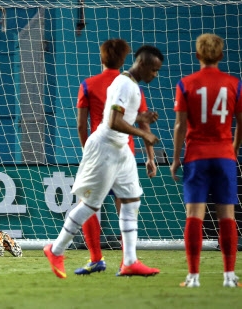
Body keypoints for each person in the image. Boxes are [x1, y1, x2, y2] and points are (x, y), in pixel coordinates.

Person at [44, 44, 164, 279]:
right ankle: (55, 250)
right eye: (155, 70)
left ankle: (130, 262)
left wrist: (141, 118)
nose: (155, 75)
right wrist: (144, 133)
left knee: (131, 201)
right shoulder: (123, 83)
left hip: (121, 150)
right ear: (143, 64)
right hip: (106, 147)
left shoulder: (132, 86)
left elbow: (121, 115)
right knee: (90, 205)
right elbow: (113, 121)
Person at [74, 39, 157, 275]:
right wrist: (150, 157)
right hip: (125, 155)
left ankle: (95, 258)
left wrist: (86, 152)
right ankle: (126, 261)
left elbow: (81, 125)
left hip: (99, 154)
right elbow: (144, 121)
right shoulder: (132, 86)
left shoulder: (88, 85)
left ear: (101, 58)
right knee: (126, 208)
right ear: (124, 61)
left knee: (87, 205)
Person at [170, 33, 242, 288]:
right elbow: (241, 123)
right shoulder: (234, 83)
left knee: (194, 215)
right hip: (224, 157)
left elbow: (180, 125)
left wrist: (177, 158)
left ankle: (193, 277)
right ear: (221, 56)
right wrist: (232, 148)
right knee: (227, 216)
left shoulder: (186, 84)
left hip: (196, 157)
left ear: (197, 55)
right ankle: (229, 277)